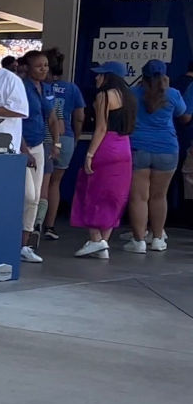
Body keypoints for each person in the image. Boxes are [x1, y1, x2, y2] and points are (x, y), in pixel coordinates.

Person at [121, 59, 189, 253]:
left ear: (143, 76)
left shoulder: (132, 94)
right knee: (159, 197)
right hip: (167, 149)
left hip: (138, 148)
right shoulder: (173, 94)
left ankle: (139, 241)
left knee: (139, 198)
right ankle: (158, 238)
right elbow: (184, 117)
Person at [72, 62, 136, 258]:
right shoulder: (129, 96)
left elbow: (101, 128)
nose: (96, 78)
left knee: (91, 190)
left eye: (100, 75)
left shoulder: (104, 96)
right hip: (124, 147)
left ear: (109, 76)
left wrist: (89, 154)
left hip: (105, 147)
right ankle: (103, 243)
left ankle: (95, 239)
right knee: (114, 196)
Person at [38, 48, 85, 239]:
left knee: (41, 183)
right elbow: (80, 117)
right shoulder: (72, 88)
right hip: (66, 138)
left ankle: (36, 224)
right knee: (55, 183)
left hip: (44, 137)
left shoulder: (39, 87)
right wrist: (75, 138)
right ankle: (50, 226)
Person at [16, 50, 50, 264]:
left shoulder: (44, 88)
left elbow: (51, 115)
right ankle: (15, 240)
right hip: (22, 145)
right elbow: (17, 120)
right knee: (27, 195)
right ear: (27, 68)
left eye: (46, 65)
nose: (44, 69)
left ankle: (25, 245)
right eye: (39, 66)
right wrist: (24, 150)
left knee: (36, 197)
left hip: (39, 144)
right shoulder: (22, 87)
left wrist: (55, 142)